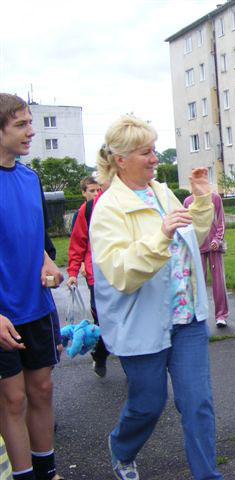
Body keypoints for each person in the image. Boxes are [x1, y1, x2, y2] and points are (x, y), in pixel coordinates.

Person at [90, 115, 222, 480]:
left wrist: (200, 202)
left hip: (187, 320)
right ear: (120, 159)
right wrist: (160, 236)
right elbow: (120, 272)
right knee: (148, 404)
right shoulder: (108, 208)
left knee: (198, 404)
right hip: (143, 322)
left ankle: (207, 476)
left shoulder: (162, 193)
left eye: (154, 150)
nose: (154, 158)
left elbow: (191, 241)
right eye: (145, 152)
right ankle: (122, 448)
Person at [0, 93, 64, 480]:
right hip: (2, 315)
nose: (31, 132)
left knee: (41, 390)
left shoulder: (31, 177)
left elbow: (39, 242)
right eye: (21, 124)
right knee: (13, 398)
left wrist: (49, 265)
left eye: (30, 122)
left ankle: (48, 472)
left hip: (36, 306)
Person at [66, 183, 110, 377]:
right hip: (97, 277)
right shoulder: (90, 208)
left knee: (126, 322)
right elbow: (78, 242)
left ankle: (132, 367)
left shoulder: (134, 199)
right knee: (103, 322)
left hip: (127, 276)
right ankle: (100, 355)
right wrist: (73, 272)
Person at [184, 190, 229, 328]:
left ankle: (221, 315)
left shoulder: (214, 198)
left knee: (218, 283)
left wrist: (217, 239)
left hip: (214, 247)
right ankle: (199, 316)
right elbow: (186, 226)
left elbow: (221, 220)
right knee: (197, 283)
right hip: (197, 249)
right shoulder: (188, 202)